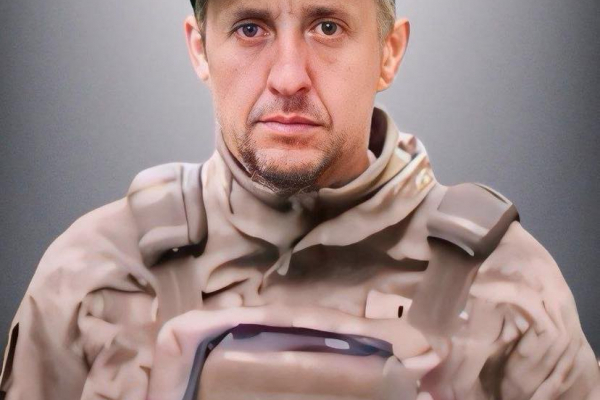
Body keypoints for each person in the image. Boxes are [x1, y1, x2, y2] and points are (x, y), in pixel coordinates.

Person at [1, 0, 598, 399]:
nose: (288, 77)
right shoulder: (92, 273)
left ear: (389, 51)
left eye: (327, 26)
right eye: (250, 28)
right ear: (200, 48)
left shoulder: (508, 286)